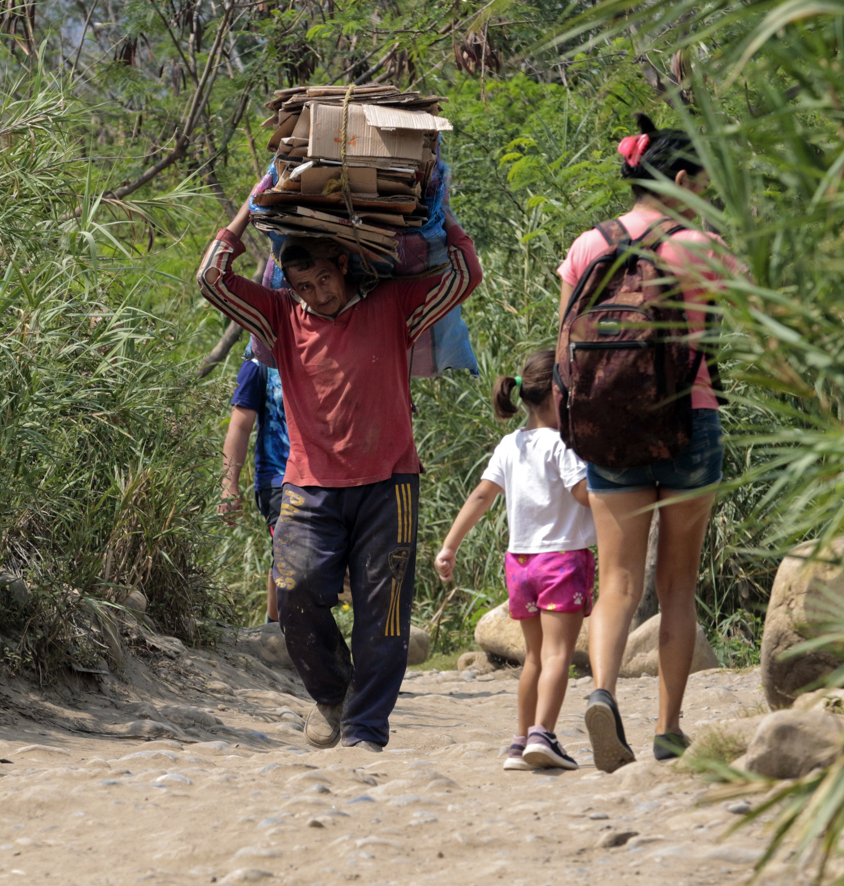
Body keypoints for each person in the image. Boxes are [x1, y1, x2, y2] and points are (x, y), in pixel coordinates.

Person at [197, 198, 482, 751]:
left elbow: (464, 275)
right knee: (296, 592)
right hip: (308, 485)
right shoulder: (279, 316)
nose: (316, 293)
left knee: (385, 612)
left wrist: (438, 207)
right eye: (303, 284)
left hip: (390, 483)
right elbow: (212, 279)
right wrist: (242, 216)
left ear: (344, 266)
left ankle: (366, 729)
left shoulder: (394, 304)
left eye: (324, 279)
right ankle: (334, 694)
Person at [557, 114, 743, 770]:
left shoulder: (588, 246)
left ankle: (603, 694)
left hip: (610, 431)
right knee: (677, 587)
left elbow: (565, 344)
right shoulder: (702, 244)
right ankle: (668, 728)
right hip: (690, 421)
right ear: (683, 179)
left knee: (618, 583)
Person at [434, 349, 596, 771]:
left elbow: (481, 496)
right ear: (559, 396)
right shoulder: (563, 443)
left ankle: (519, 743)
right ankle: (544, 735)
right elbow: (582, 494)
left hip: (520, 565)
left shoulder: (511, 444)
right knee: (559, 655)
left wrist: (449, 545)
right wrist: (622, 500)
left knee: (535, 657)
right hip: (562, 559)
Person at [221, 350, 290, 621]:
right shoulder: (259, 360)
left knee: (319, 563)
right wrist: (229, 486)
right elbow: (239, 427)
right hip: (278, 479)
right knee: (287, 554)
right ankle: (277, 635)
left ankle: (286, 632)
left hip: (326, 478)